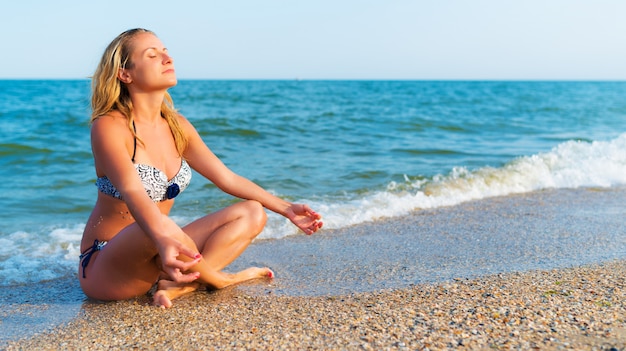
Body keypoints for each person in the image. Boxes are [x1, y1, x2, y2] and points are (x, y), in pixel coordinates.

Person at [79, 28, 323, 308]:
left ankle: (179, 285)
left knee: (253, 211)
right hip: (109, 267)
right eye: (152, 54)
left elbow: (226, 177)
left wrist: (285, 207)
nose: (166, 58)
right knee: (160, 225)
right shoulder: (109, 126)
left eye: (165, 51)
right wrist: (162, 238)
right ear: (125, 74)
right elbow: (133, 192)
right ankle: (219, 279)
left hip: (162, 251)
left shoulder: (176, 125)